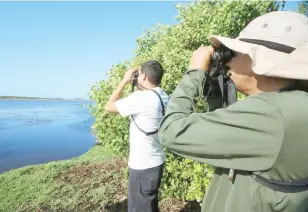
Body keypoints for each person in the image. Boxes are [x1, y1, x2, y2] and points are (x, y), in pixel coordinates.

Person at [158, 11, 308, 212]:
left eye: (233, 52)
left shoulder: (270, 113)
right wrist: (213, 82)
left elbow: (171, 131)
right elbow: (227, 134)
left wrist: (194, 73)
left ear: (258, 59)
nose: (226, 60)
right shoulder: (292, 105)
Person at [105, 60, 168, 212]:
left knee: (139, 208)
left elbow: (109, 106)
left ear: (145, 76)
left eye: (139, 74)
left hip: (142, 167)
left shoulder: (141, 99)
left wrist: (125, 81)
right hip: (157, 161)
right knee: (149, 204)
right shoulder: (163, 96)